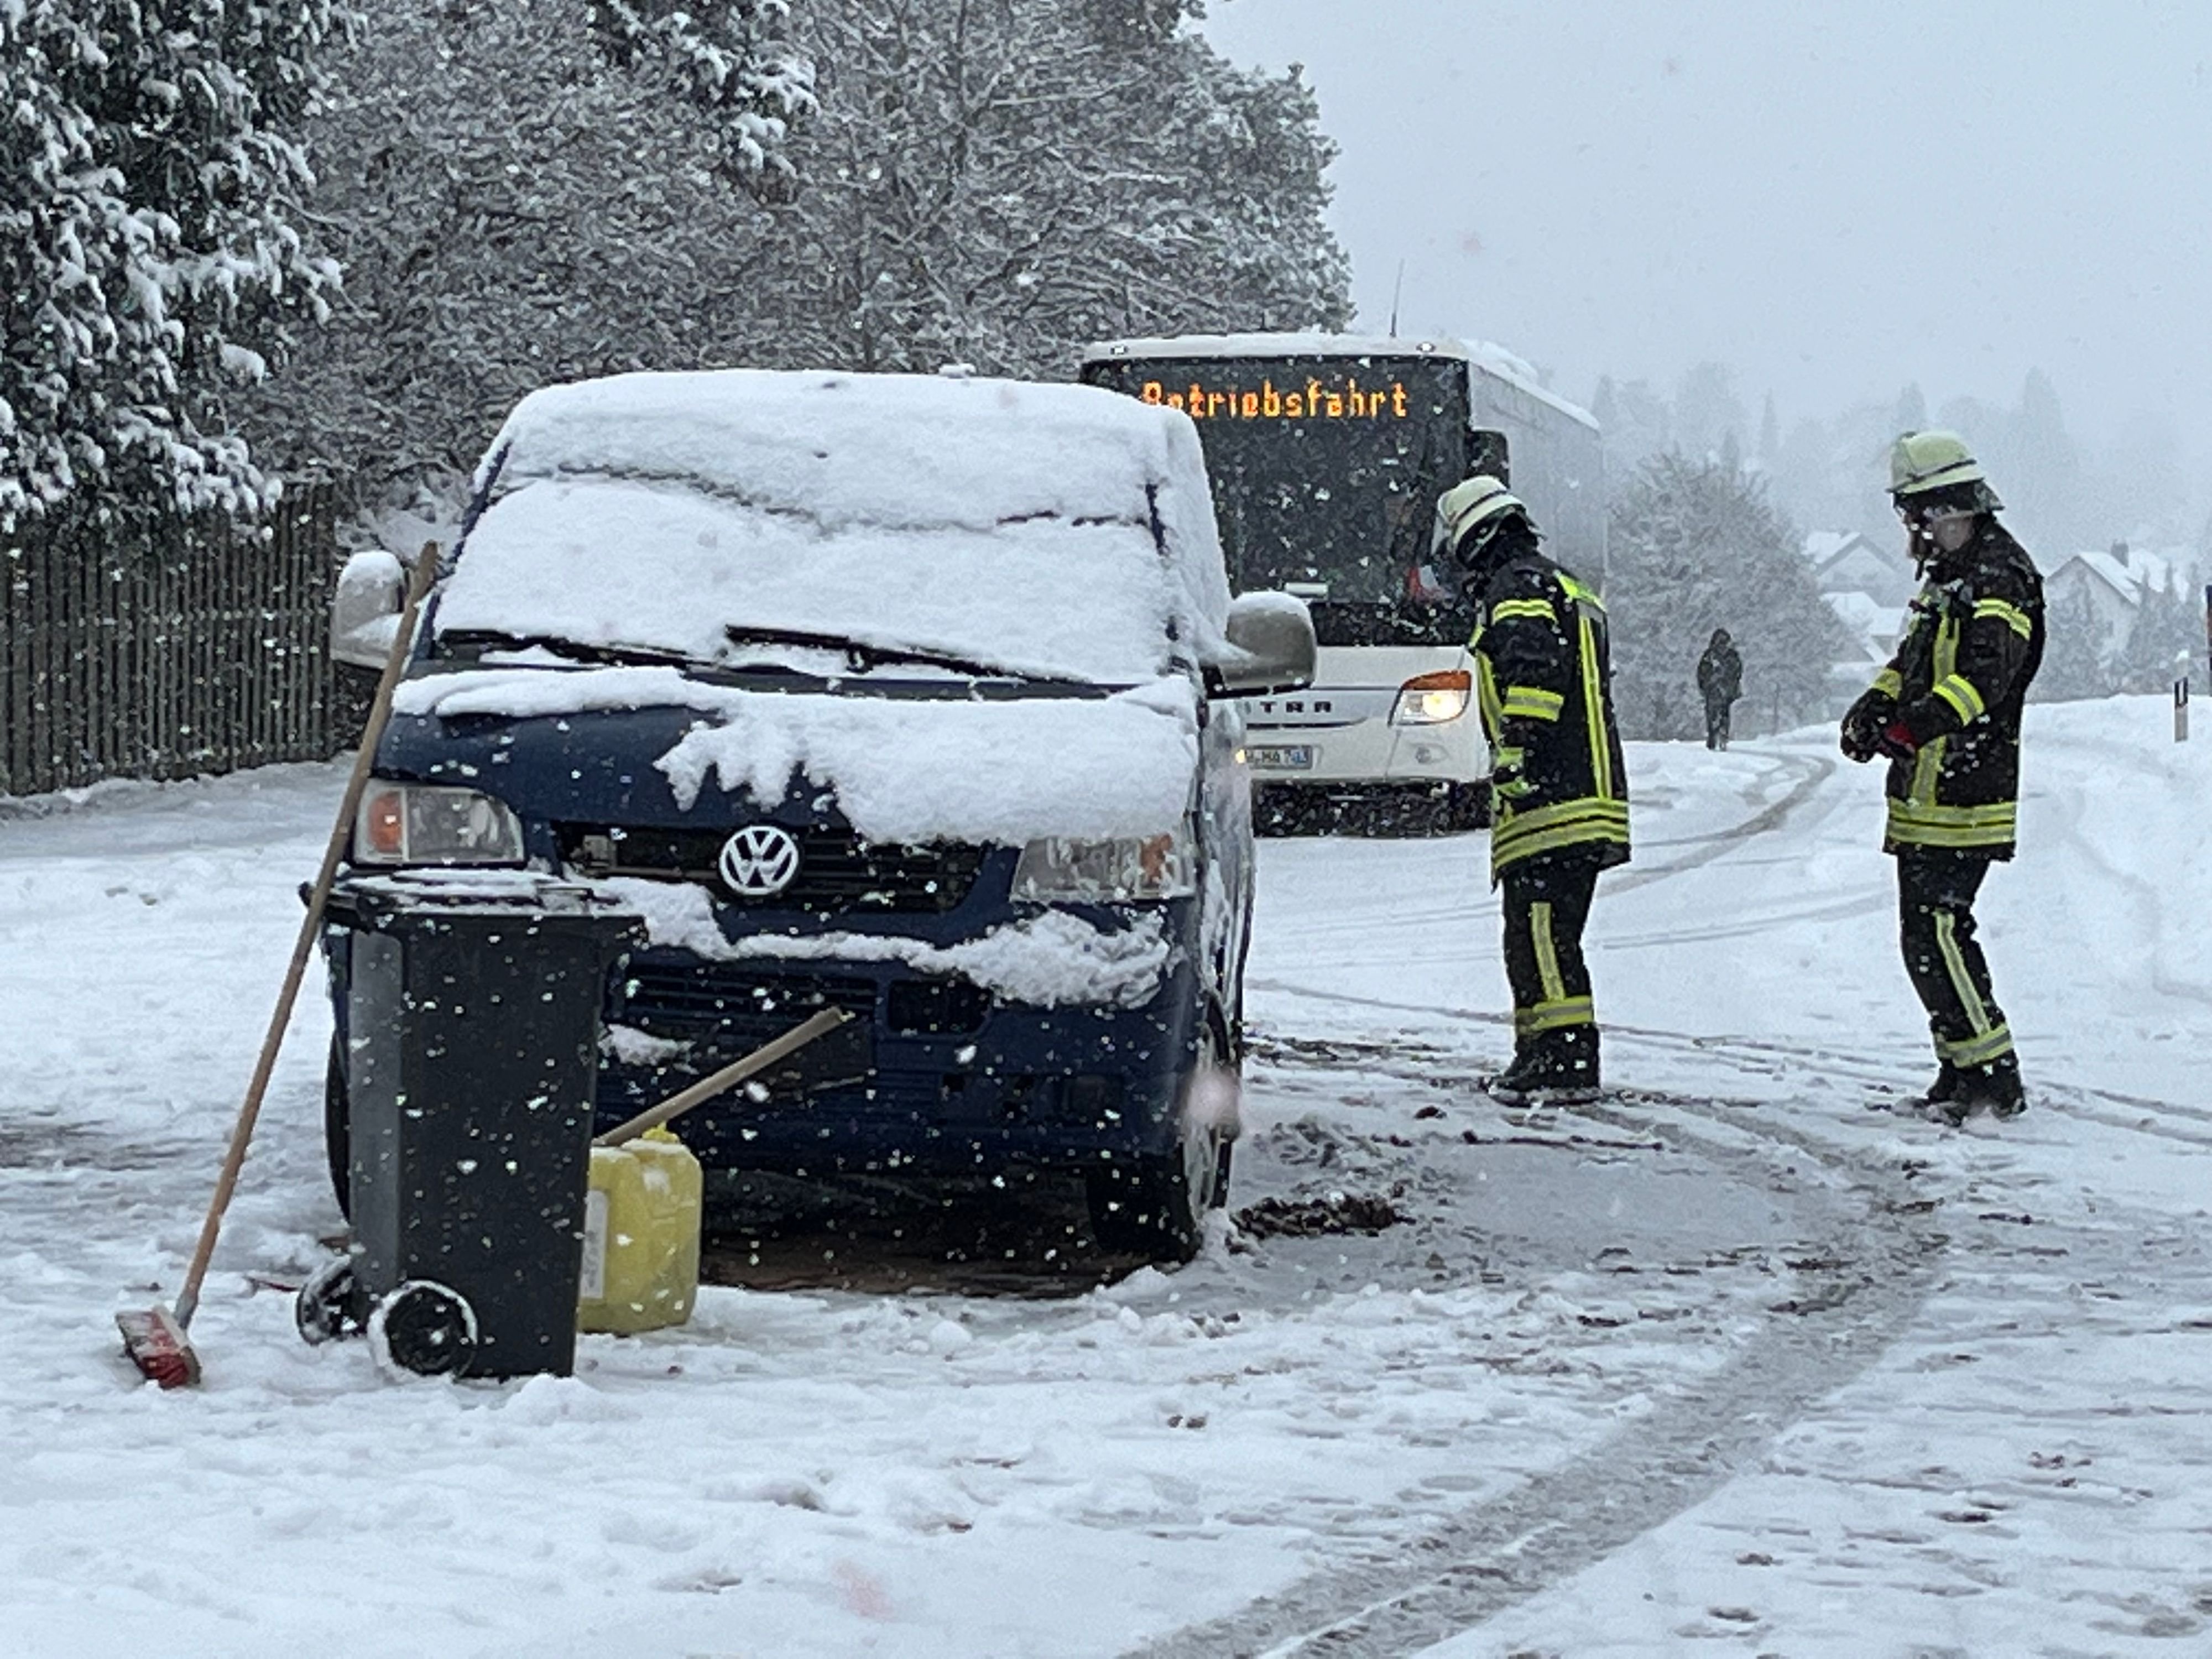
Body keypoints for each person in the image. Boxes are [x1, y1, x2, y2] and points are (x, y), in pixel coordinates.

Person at [1840, 431, 2046, 1124]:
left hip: (1967, 790)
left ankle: (1992, 1077)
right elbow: (1914, 657)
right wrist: (1875, 703)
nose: (1913, 532)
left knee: (1938, 929)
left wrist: (1913, 727)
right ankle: (1960, 1069)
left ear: (1948, 506)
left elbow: (1987, 676)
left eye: (1918, 516)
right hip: (1926, 790)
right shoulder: (1949, 578)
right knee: (1922, 938)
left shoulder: (1999, 575)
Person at [1434, 476, 1631, 1104]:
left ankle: (1562, 1062)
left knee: (1541, 932)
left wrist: (1517, 754)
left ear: (1476, 539)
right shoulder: (1562, 583)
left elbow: (1534, 673)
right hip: (1585, 795)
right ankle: (1543, 1055)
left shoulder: (1514, 588)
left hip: (1553, 800)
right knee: (1545, 933)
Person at [1696, 627, 1743, 749]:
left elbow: (1701, 672)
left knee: (1712, 713)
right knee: (1725, 712)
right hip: (1726, 690)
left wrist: (1704, 686)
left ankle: (1713, 736)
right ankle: (1723, 734)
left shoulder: (1710, 654)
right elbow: (1738, 672)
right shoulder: (1732, 655)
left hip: (1712, 689)